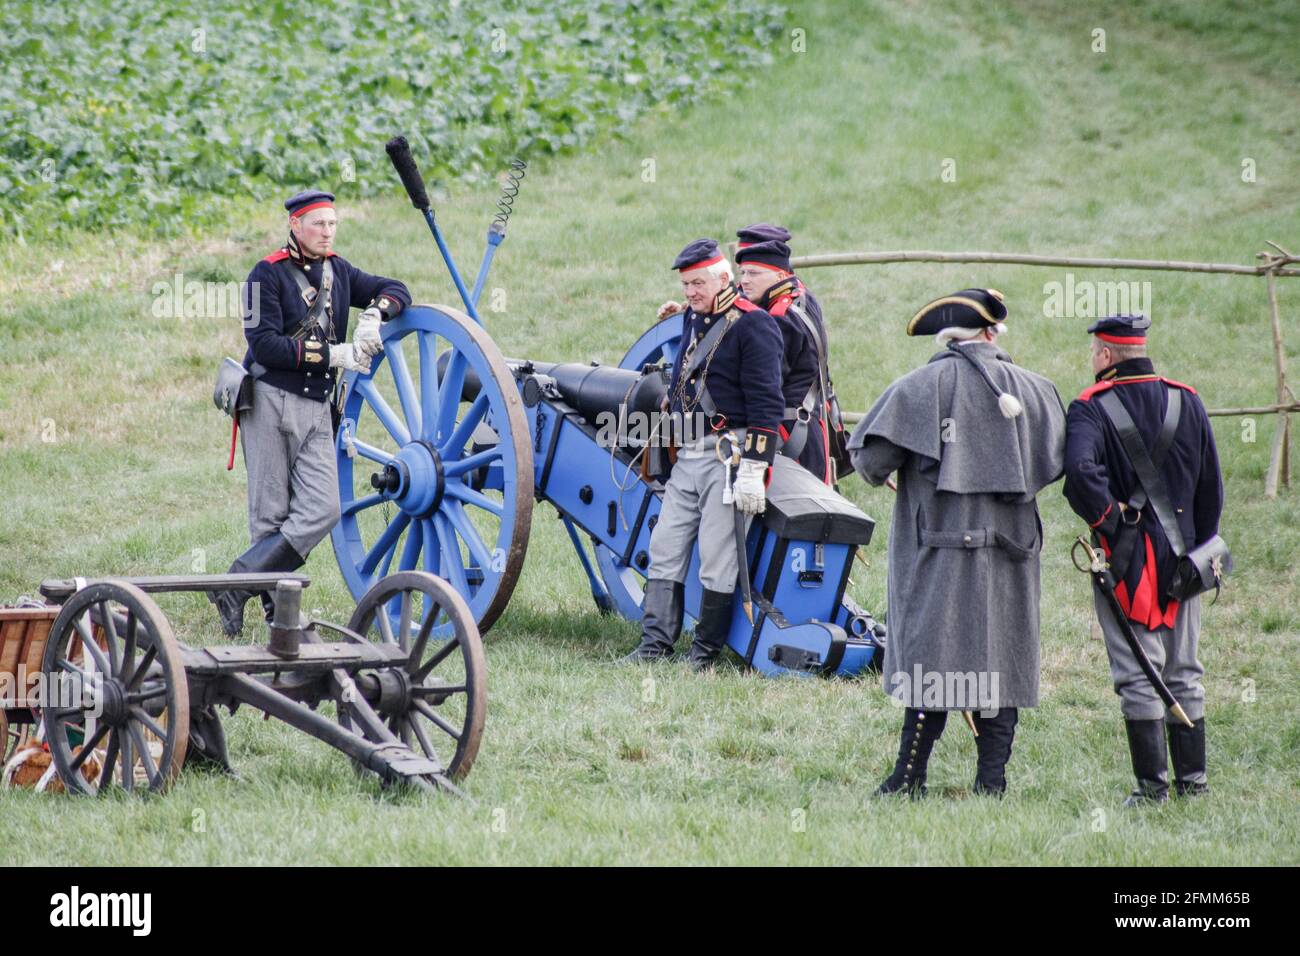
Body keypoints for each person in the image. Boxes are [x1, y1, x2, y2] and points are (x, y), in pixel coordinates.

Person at [848, 289, 1066, 797]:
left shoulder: (918, 388)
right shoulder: (1038, 391)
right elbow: (1058, 463)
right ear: (991, 334)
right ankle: (992, 781)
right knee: (1001, 660)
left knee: (931, 662)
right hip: (1011, 550)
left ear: (946, 339)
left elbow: (869, 464)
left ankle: (909, 778)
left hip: (936, 551)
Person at [212, 190, 411, 635]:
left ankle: (236, 583)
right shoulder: (264, 274)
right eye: (319, 224)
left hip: (318, 410)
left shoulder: (338, 271)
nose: (327, 232)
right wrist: (333, 355)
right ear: (296, 226)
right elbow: (263, 344)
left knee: (323, 508)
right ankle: (275, 614)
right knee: (270, 515)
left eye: (333, 224)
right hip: (268, 400)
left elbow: (397, 289)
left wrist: (374, 314)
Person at [1063, 314, 1223, 805]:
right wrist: (1198, 548)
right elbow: (1210, 487)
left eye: (1095, 352)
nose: (1092, 360)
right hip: (1185, 558)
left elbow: (1078, 474)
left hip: (1128, 559)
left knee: (1139, 672)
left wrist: (1113, 522)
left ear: (1107, 355)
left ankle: (1153, 791)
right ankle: (1192, 784)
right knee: (1184, 668)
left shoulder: (1090, 407)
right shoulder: (1186, 399)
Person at [621, 239, 785, 669]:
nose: (691, 290)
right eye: (686, 283)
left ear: (723, 278)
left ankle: (704, 655)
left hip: (730, 457)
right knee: (665, 545)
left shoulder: (755, 326)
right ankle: (654, 646)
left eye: (697, 282)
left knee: (717, 557)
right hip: (690, 454)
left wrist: (755, 467)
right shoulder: (695, 316)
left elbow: (768, 404)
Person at [734, 233, 836, 484]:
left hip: (787, 435)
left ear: (780, 275)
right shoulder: (798, 296)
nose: (744, 281)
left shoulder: (780, 319)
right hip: (805, 425)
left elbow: (761, 383)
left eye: (753, 274)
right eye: (743, 273)